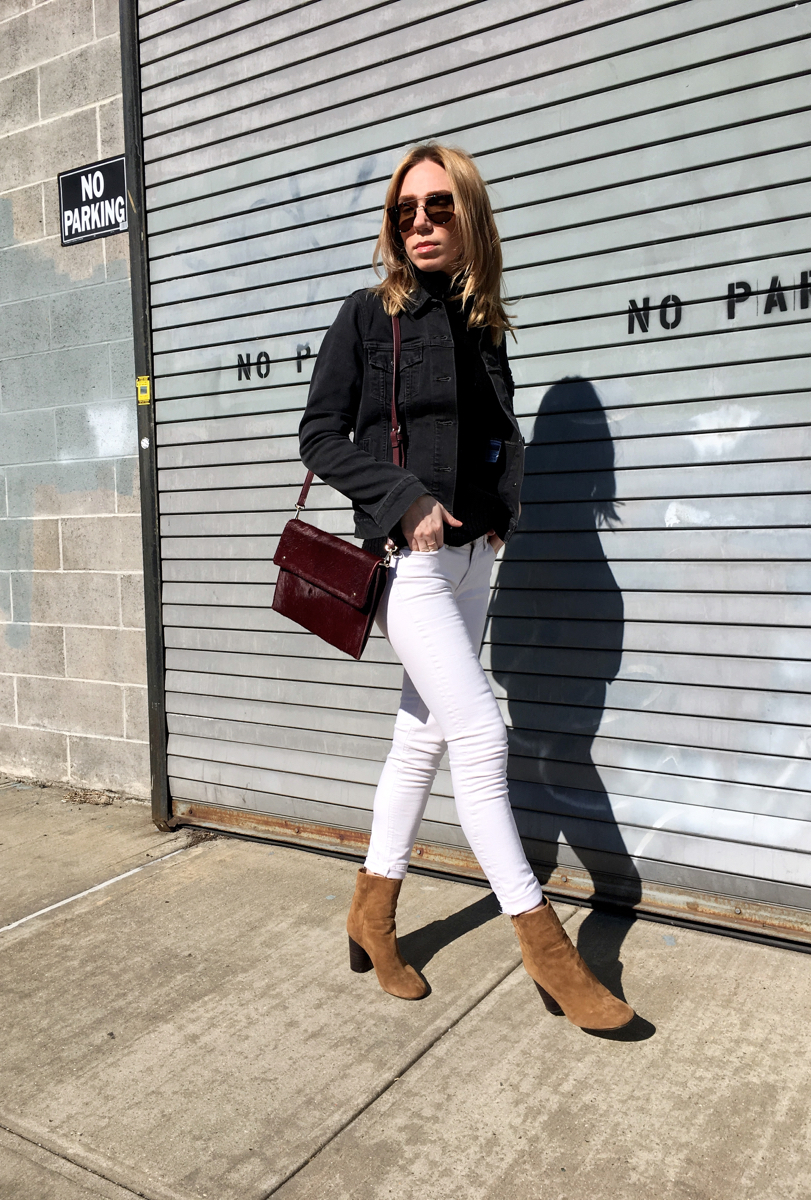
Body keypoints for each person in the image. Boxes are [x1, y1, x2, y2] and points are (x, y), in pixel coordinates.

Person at [299, 144, 633, 1031]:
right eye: (406, 209)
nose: (420, 222)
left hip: (474, 561)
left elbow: (494, 435)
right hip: (407, 562)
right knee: (482, 735)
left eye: (439, 206)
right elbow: (320, 436)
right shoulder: (367, 315)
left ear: (469, 215)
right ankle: (547, 947)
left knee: (421, 740)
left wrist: (497, 512)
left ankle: (371, 914)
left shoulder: (483, 322)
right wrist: (404, 498)